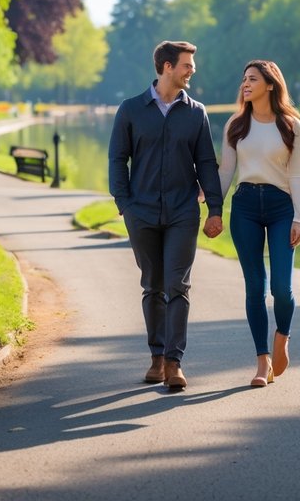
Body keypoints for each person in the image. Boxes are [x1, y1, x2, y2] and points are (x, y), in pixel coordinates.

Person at [108, 40, 224, 391]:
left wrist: (215, 208)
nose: (192, 70)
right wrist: (123, 204)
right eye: (187, 64)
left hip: (182, 213)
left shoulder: (196, 112)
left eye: (192, 64)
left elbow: (206, 162)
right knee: (152, 286)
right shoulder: (130, 110)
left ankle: (174, 363)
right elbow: (117, 160)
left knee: (178, 286)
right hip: (140, 212)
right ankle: (156, 357)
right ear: (167, 67)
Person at [217, 60, 300, 388]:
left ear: (270, 84)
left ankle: (281, 337)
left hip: (282, 208)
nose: (245, 84)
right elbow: (226, 171)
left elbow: (298, 175)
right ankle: (261, 361)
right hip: (245, 207)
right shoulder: (236, 124)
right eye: (244, 80)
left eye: (252, 79)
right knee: (255, 287)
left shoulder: (291, 126)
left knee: (281, 288)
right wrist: (214, 208)